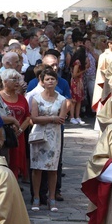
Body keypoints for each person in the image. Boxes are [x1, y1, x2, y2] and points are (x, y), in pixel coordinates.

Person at [30, 68, 67, 212]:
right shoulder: (36, 98)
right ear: (42, 81)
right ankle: (37, 197)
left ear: (56, 81)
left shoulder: (62, 99)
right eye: (47, 79)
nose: (50, 81)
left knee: (53, 168)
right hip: (39, 135)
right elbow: (34, 118)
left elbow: (61, 119)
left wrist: (47, 119)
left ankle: (52, 198)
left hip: (54, 136)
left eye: (52, 79)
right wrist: (52, 118)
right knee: (37, 168)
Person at [0, 68, 31, 181]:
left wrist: (20, 130)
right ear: (5, 81)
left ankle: (15, 187)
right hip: (4, 135)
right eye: (14, 79)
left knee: (16, 164)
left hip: (19, 135)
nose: (17, 82)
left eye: (18, 79)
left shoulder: (22, 98)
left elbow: (28, 117)